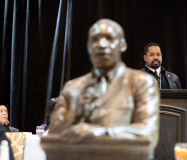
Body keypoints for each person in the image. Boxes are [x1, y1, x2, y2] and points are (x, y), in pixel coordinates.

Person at [49, 19, 159, 159]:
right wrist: (74, 114)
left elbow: (148, 133)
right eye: (94, 40)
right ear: (88, 46)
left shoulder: (141, 83)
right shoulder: (73, 88)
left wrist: (99, 131)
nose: (101, 45)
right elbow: (52, 137)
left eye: (109, 38)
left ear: (122, 44)